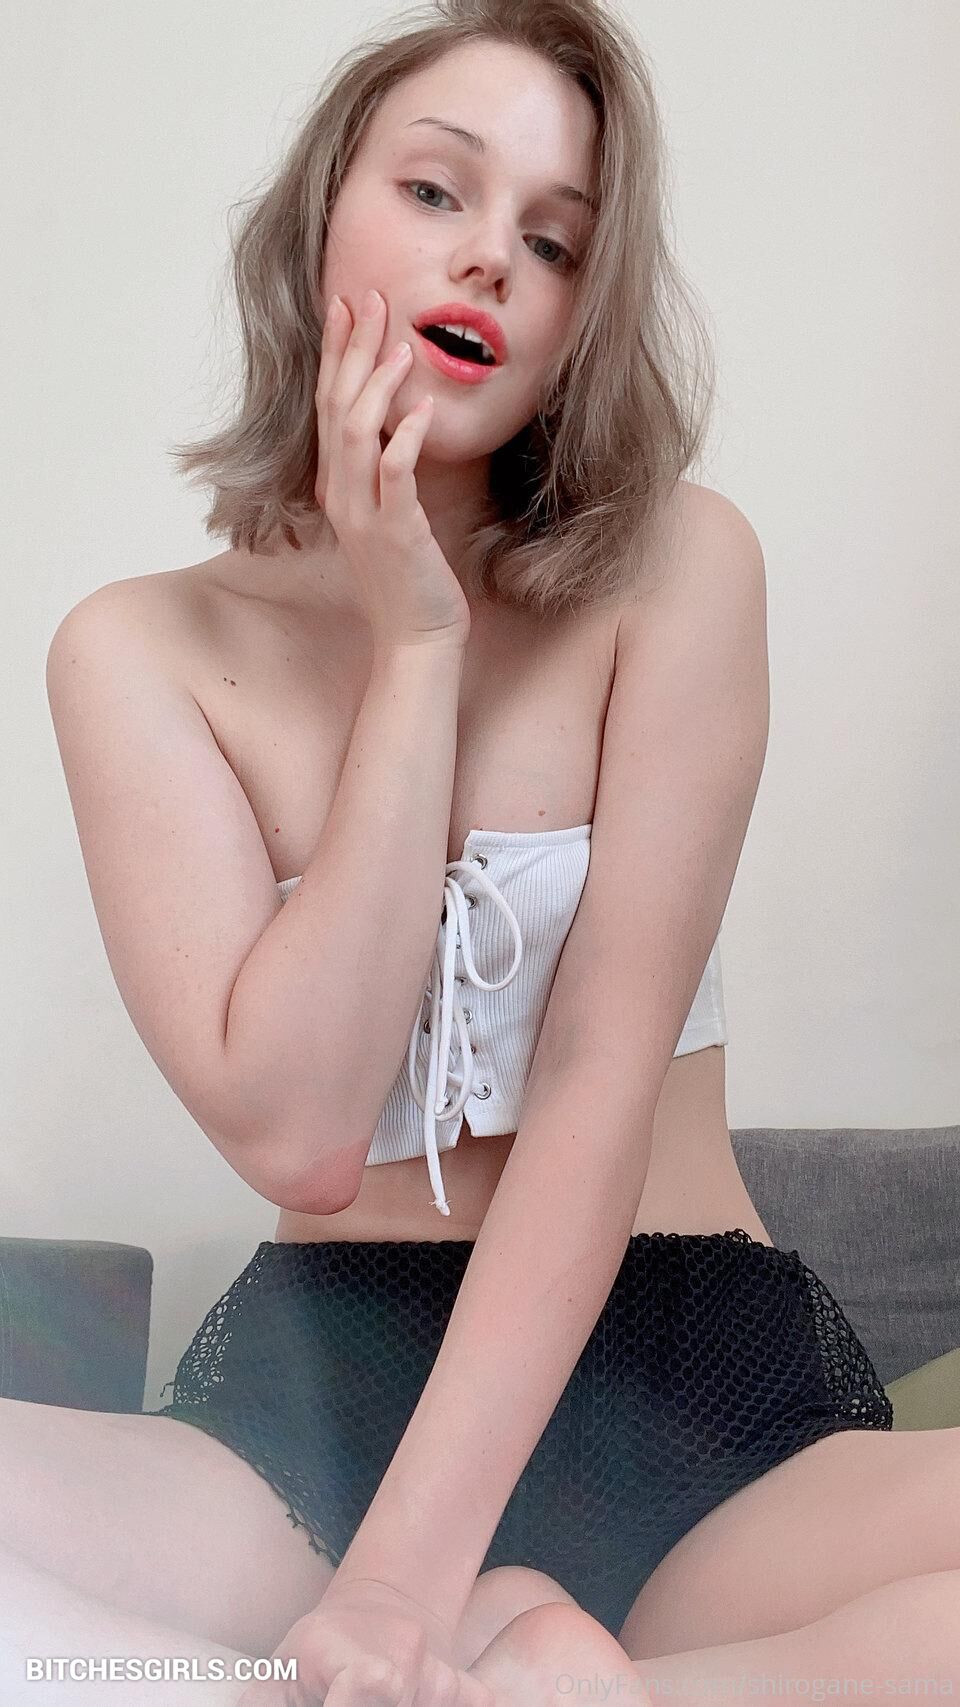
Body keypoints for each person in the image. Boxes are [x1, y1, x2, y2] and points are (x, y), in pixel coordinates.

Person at [25, 1, 958, 1704]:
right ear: (318, 224)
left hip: (693, 1390)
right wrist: (415, 650)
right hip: (316, 1414)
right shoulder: (138, 652)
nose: (490, 262)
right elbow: (304, 1134)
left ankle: (567, 1680)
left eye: (554, 241)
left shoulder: (682, 568)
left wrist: (398, 1590)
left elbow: (598, 1091)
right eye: (437, 192)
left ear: (584, 316)